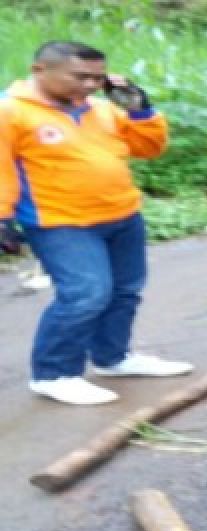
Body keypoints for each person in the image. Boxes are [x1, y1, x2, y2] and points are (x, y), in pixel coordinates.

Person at [0, 41, 193, 406]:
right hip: (60, 221)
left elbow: (149, 148)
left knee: (125, 291)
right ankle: (53, 374)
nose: (90, 85)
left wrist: (139, 110)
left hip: (121, 214)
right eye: (80, 77)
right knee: (84, 296)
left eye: (97, 78)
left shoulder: (102, 110)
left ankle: (113, 358)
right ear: (40, 70)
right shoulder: (11, 112)